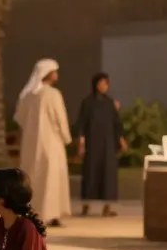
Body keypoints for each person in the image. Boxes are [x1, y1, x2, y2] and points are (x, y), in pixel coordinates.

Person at [15, 59, 72, 227]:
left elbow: (20, 119)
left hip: (31, 145)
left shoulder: (28, 96)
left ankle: (36, 213)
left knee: (34, 177)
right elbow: (60, 120)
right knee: (51, 178)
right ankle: (50, 214)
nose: (57, 75)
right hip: (51, 144)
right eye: (55, 71)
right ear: (49, 74)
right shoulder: (53, 94)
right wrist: (67, 138)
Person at [76, 73, 127, 218]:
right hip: (92, 144)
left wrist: (121, 140)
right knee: (90, 173)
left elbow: (116, 124)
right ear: (95, 84)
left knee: (108, 175)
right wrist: (81, 142)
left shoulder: (110, 103)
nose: (103, 86)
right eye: (101, 83)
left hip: (108, 144)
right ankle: (86, 206)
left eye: (106, 83)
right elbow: (81, 124)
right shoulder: (87, 102)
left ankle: (107, 207)